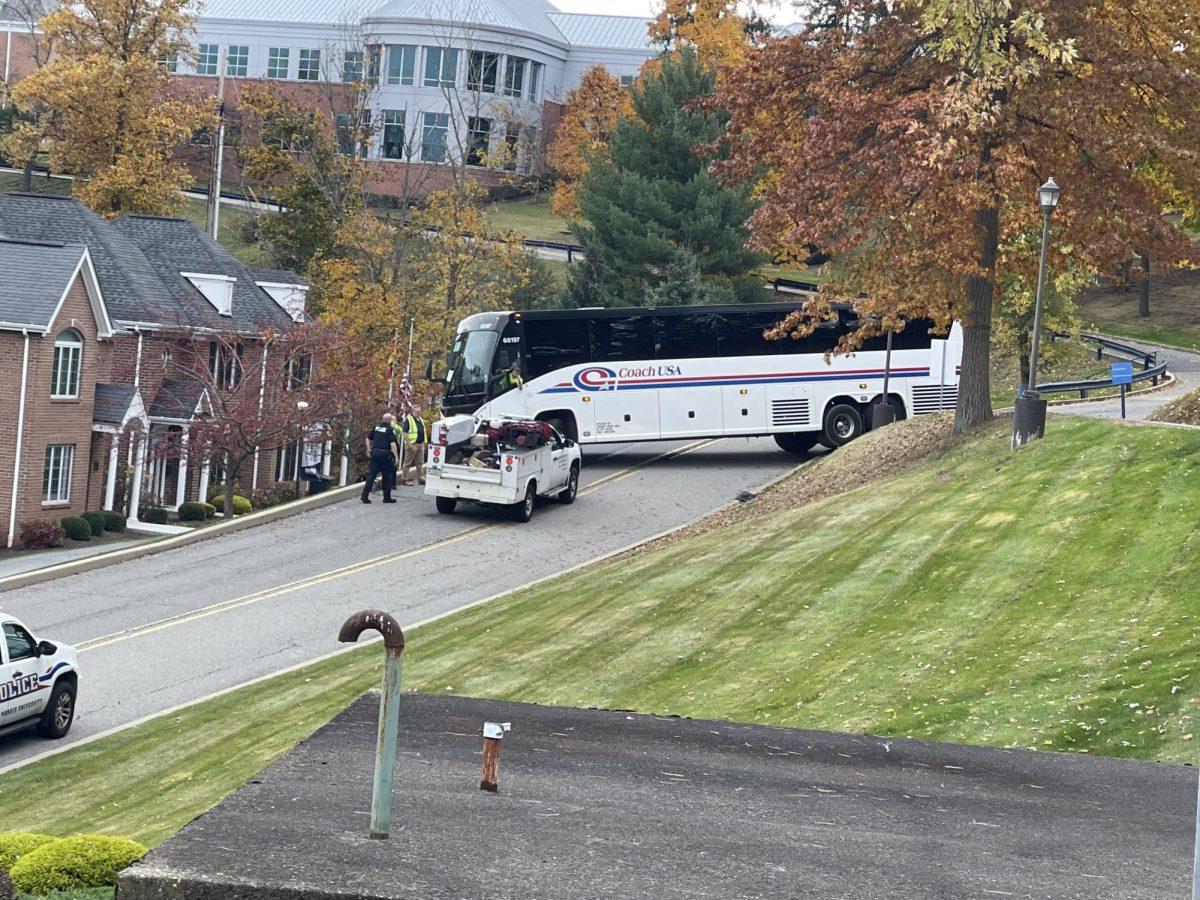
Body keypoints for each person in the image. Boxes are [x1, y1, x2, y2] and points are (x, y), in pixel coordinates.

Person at [361, 413, 400, 504]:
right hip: (385, 454)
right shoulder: (390, 430)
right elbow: (393, 444)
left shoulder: (376, 427)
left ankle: (364, 495)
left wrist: (369, 449)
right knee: (387, 476)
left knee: (371, 475)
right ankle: (387, 497)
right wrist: (396, 457)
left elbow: (368, 438)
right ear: (390, 420)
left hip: (375, 453)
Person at [397, 405, 427, 486]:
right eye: (417, 412)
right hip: (412, 444)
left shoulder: (420, 419)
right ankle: (405, 479)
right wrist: (409, 444)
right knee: (407, 463)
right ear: (412, 412)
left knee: (420, 462)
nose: (419, 413)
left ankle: (421, 479)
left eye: (420, 411)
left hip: (420, 444)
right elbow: (404, 433)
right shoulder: (408, 420)